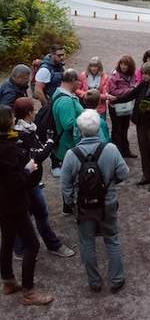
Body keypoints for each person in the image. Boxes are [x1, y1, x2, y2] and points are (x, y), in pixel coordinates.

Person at [61, 110, 129, 293]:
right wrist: (110, 183)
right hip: (107, 202)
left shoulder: (71, 154)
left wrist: (72, 204)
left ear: (79, 130)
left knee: (87, 242)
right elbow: (125, 174)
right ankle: (116, 279)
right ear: (98, 127)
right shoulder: (111, 149)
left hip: (84, 205)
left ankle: (94, 282)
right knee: (112, 239)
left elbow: (65, 185)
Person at [0, 105, 53, 305]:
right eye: (12, 116)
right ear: (7, 122)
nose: (15, 118)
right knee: (32, 244)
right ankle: (29, 292)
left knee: (7, 239)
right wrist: (28, 169)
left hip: (2, 202)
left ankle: (8, 281)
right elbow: (16, 182)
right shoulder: (7, 149)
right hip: (13, 203)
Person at [13, 97, 75, 259]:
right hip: (27, 183)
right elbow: (38, 156)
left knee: (29, 215)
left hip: (31, 182)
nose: (34, 112)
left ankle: (21, 248)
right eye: (33, 110)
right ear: (28, 113)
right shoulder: (22, 133)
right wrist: (49, 141)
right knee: (38, 215)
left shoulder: (26, 128)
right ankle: (49, 245)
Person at [111, 63, 150, 190]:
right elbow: (130, 95)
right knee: (144, 150)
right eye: (142, 73)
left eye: (145, 74)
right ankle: (146, 175)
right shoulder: (143, 85)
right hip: (141, 123)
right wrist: (115, 100)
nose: (142, 76)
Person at [51, 69, 84, 179]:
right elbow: (68, 124)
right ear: (73, 80)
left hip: (66, 145)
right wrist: (86, 119)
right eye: (78, 81)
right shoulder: (66, 101)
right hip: (67, 146)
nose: (80, 84)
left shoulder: (59, 92)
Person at [108, 55, 137, 158]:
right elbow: (113, 91)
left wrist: (131, 91)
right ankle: (116, 153)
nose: (123, 66)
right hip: (115, 106)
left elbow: (136, 87)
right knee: (117, 129)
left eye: (126, 64)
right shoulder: (115, 75)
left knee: (125, 128)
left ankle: (125, 150)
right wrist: (129, 91)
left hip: (127, 105)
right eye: (122, 64)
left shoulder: (132, 76)